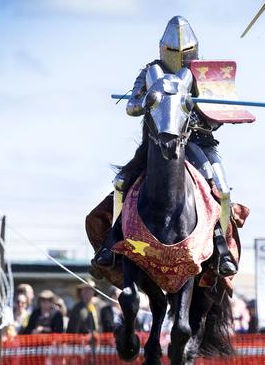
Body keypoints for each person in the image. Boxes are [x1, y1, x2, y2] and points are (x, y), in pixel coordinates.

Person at [91, 15, 240, 277]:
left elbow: (219, 116)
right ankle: (113, 242)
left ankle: (221, 249)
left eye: (184, 51)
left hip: (197, 142)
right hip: (157, 144)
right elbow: (131, 107)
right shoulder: (150, 73)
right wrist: (151, 99)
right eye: (172, 50)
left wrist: (197, 111)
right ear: (162, 49)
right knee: (120, 182)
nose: (178, 56)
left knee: (222, 189)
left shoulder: (204, 75)